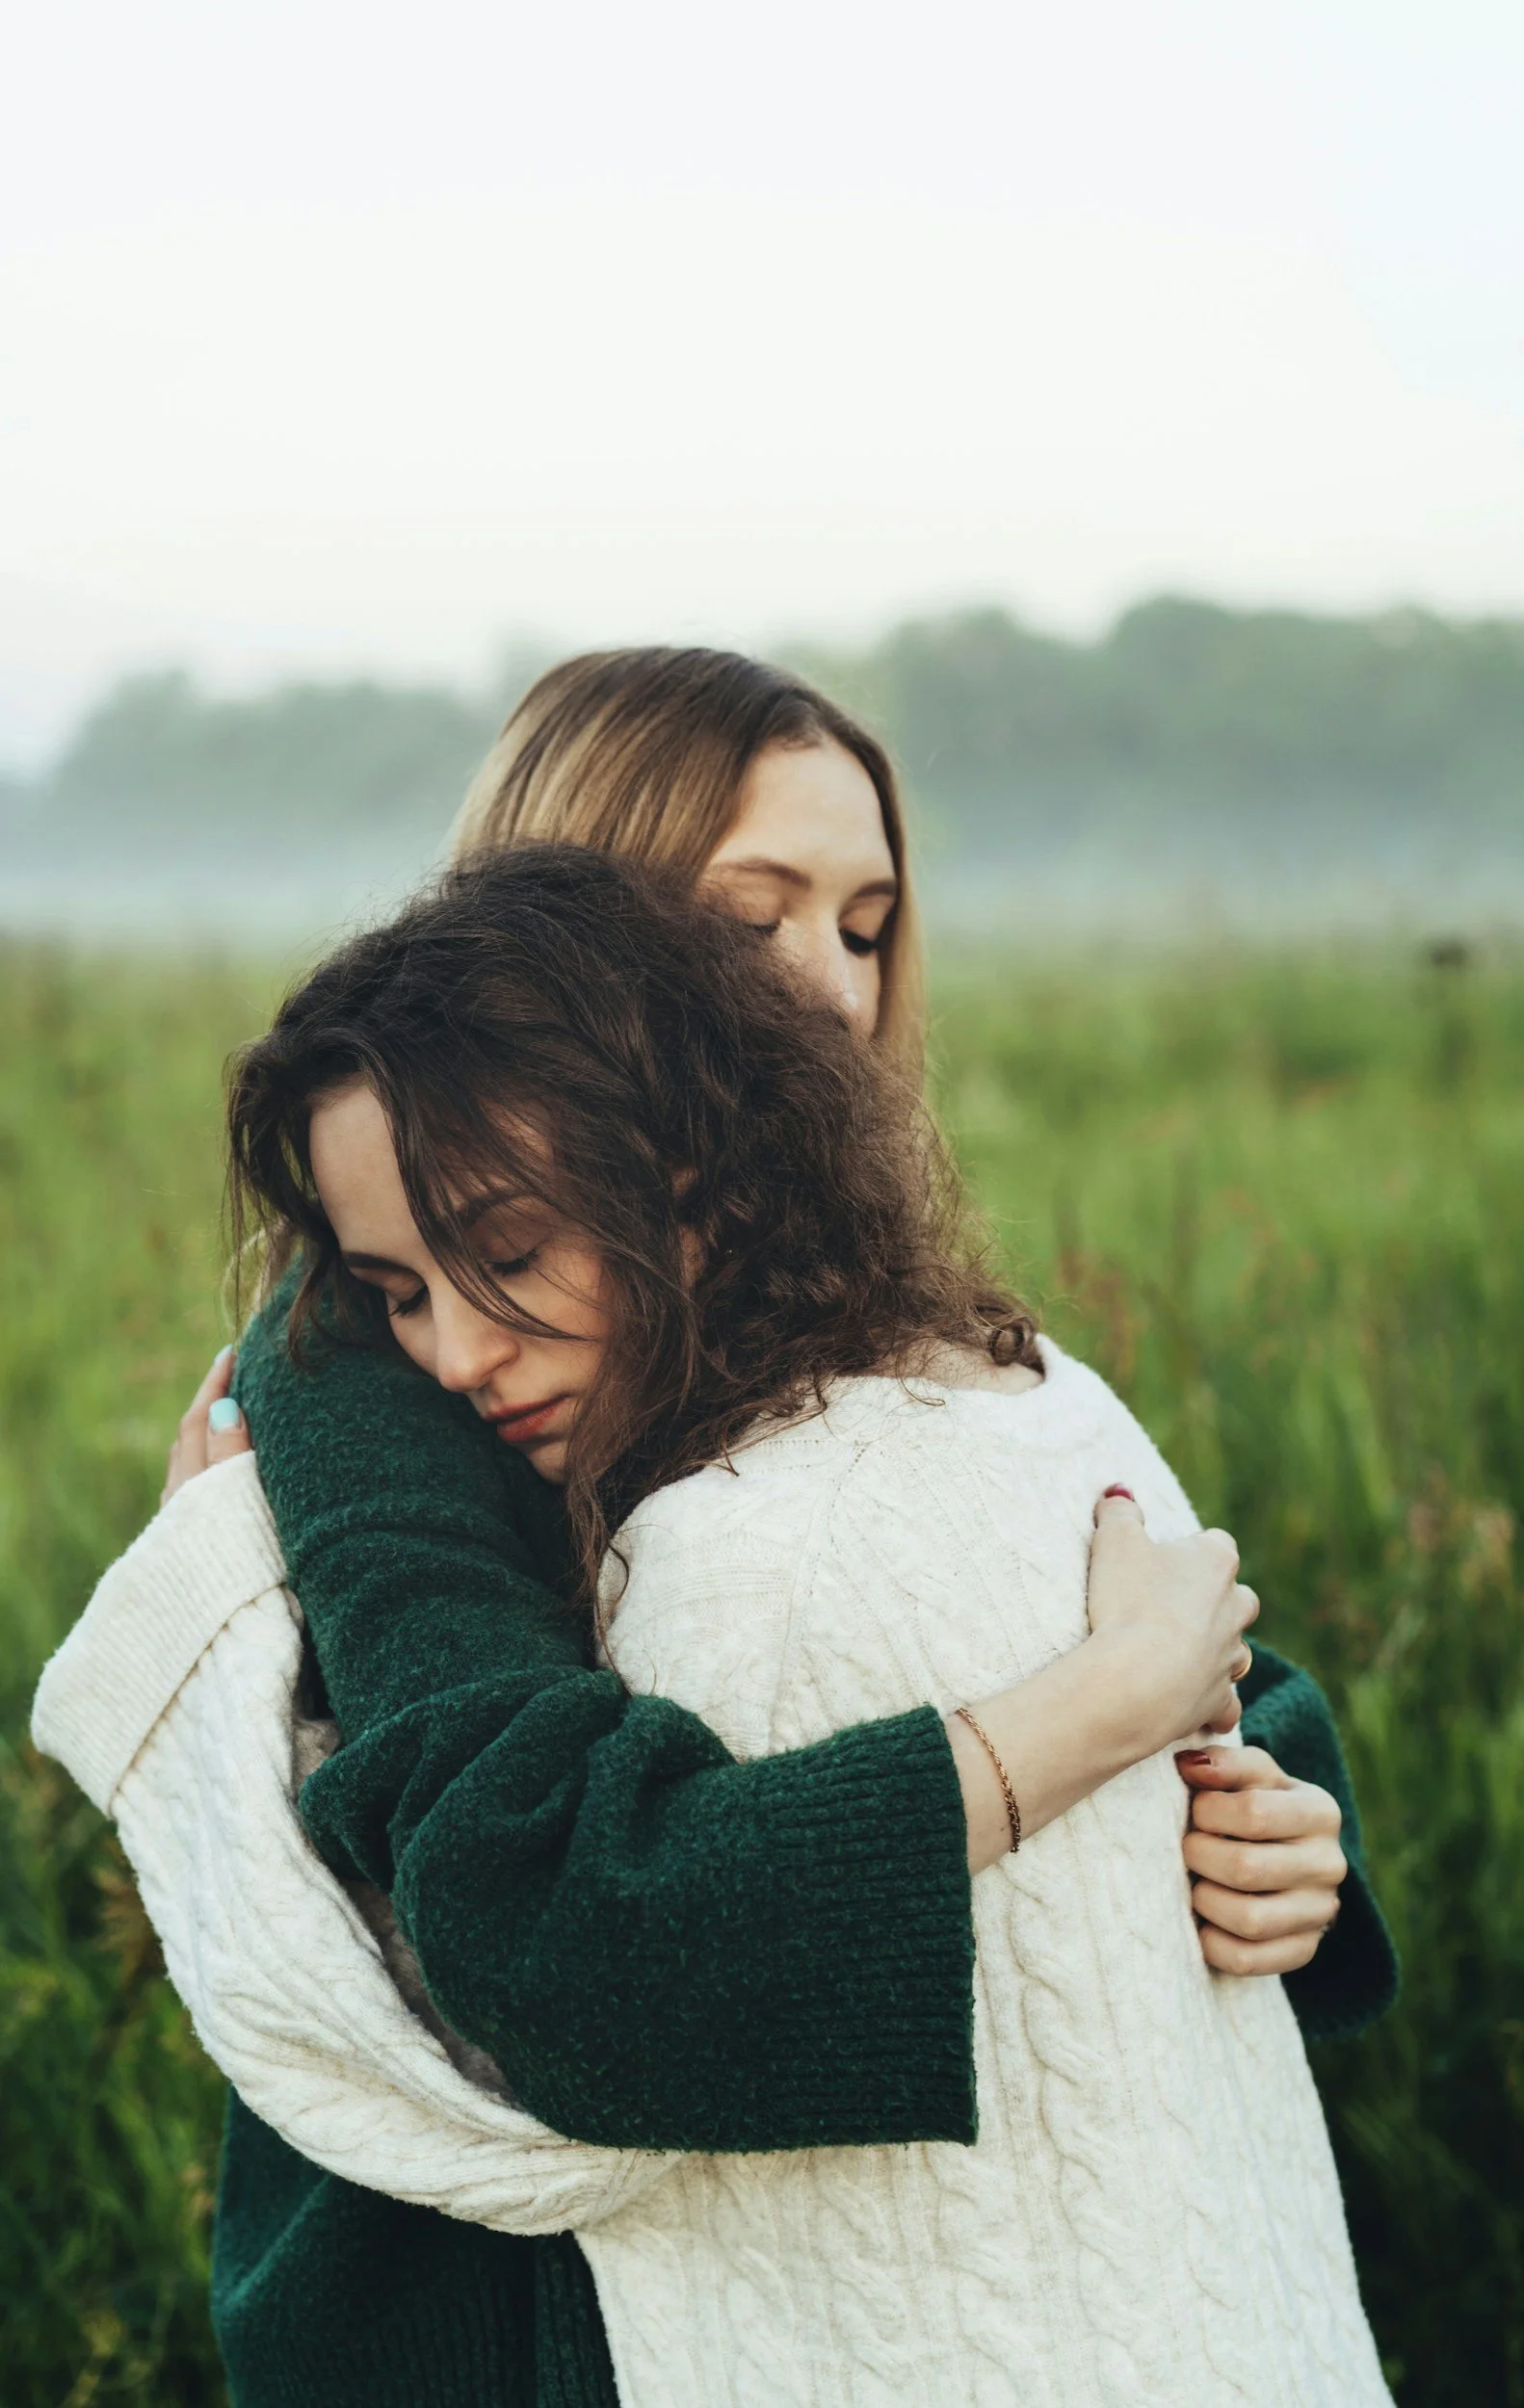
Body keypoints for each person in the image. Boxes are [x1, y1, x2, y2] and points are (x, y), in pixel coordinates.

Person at [33, 653, 1395, 2408]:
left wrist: (1273, 1789)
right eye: (755, 920)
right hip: (473, 2294)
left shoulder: (787, 1280)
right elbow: (536, 1872)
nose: (828, 991)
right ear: (569, 937)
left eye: (865, 923)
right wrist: (1106, 1711)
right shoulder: (382, 1352)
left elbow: (1031, 1589)